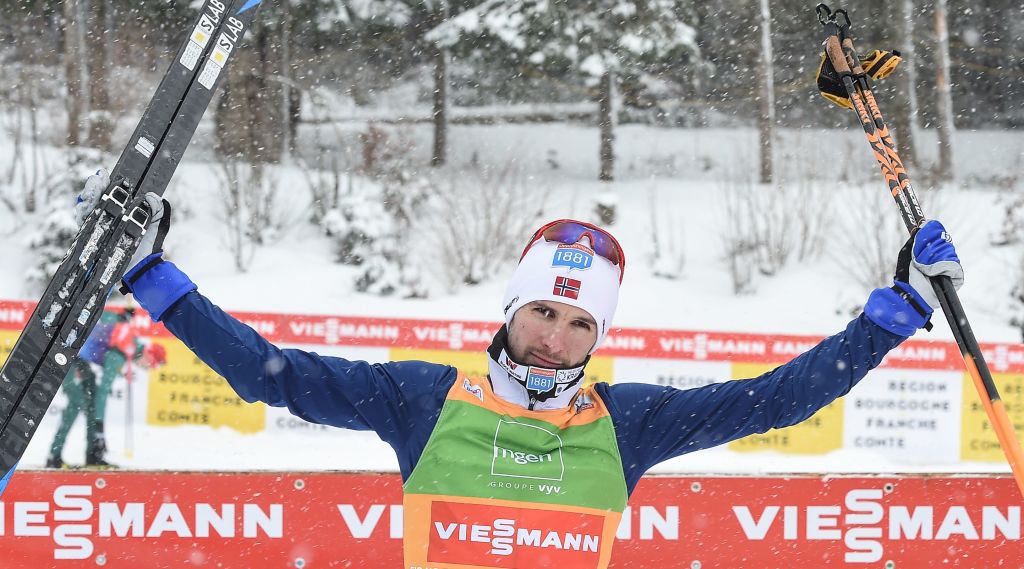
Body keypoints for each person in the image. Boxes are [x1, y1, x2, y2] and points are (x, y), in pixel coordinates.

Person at [116, 194, 961, 568]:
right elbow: (279, 377)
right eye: (545, 313)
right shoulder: (425, 397)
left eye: (581, 323)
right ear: (513, 309)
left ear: (600, 336)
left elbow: (776, 399)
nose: (556, 338)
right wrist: (159, 283)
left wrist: (891, 318)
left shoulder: (627, 419)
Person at [46, 301, 166, 468]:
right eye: (150, 364)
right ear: (148, 354)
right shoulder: (123, 351)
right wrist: (100, 428)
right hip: (65, 353)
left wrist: (120, 317)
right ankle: (55, 456)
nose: (147, 368)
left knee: (90, 400)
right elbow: (104, 391)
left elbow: (104, 319)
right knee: (78, 401)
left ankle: (92, 455)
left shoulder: (128, 338)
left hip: (77, 357)